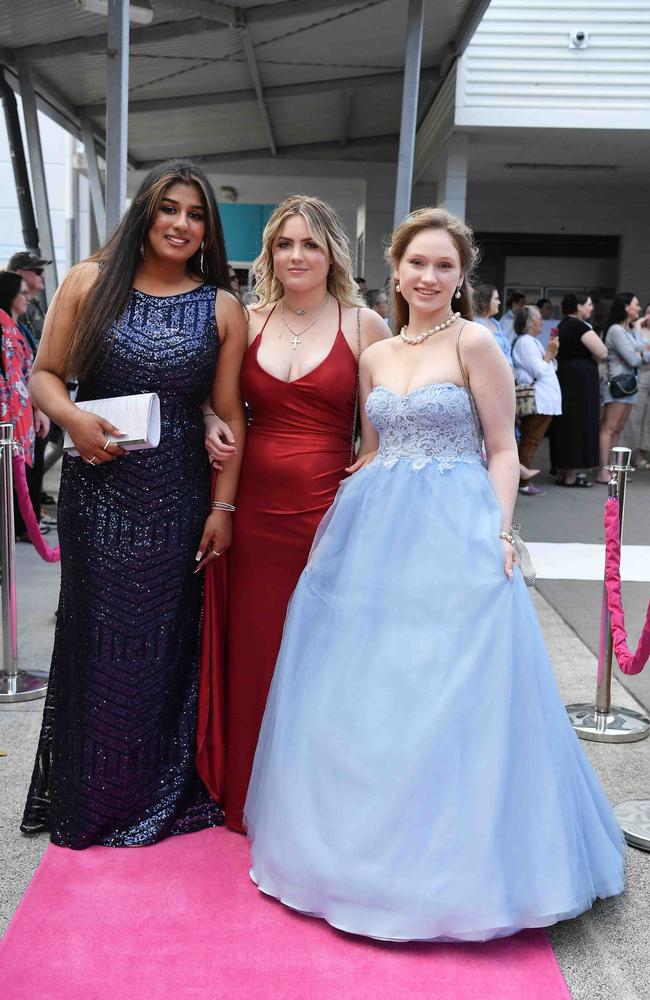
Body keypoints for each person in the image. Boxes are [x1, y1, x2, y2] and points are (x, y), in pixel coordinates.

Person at [244, 207, 624, 943]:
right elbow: (370, 444)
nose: (429, 276)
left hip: (455, 521)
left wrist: (500, 529)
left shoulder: (475, 341)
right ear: (396, 267)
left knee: (450, 684)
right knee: (374, 684)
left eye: (444, 266)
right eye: (418, 263)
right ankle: (356, 855)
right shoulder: (378, 354)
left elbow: (503, 449)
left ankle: (459, 864)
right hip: (377, 524)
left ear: (461, 275)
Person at [21, 159, 248, 849]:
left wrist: (223, 508)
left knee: (166, 645)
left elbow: (230, 414)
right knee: (96, 637)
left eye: (196, 214)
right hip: (101, 494)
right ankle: (89, 795)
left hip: (180, 495)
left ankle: (157, 790)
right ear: (145, 213)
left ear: (207, 228)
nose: (181, 224)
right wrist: (77, 422)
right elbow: (45, 375)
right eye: (169, 209)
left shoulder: (221, 307)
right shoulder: (91, 282)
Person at [200, 195, 389, 832]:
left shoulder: (365, 326)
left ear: (333, 251)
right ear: (270, 255)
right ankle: (251, 793)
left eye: (310, 244)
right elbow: (219, 405)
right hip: (253, 512)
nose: (297, 255)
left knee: (327, 656)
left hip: (332, 516)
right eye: (285, 244)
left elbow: (382, 432)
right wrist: (207, 427)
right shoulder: (247, 321)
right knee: (258, 649)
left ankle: (319, 800)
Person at [0, 271, 50, 537]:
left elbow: (29, 371)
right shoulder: (3, 326)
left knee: (25, 476)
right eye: (22, 293)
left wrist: (39, 409)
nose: (28, 298)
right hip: (10, 420)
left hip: (25, 415)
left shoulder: (19, 328)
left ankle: (21, 525)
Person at [549, 293, 607, 486]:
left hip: (566, 376)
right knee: (578, 424)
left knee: (566, 423)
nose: (591, 308)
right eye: (589, 304)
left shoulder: (564, 324)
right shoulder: (579, 326)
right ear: (579, 307)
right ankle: (572, 475)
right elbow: (602, 352)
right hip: (580, 381)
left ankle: (563, 472)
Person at [597, 292, 650, 483]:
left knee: (618, 428)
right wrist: (642, 353)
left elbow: (641, 345)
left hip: (628, 384)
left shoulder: (627, 329)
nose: (639, 308)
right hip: (618, 383)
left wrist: (637, 329)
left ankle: (613, 469)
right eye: (636, 304)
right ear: (626, 307)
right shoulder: (616, 331)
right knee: (609, 427)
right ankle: (603, 471)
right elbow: (634, 358)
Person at [512, 304, 561, 495]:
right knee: (530, 440)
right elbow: (540, 370)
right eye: (539, 317)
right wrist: (548, 355)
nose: (542, 321)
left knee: (530, 440)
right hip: (538, 400)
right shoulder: (525, 342)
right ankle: (522, 481)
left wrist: (550, 355)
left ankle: (522, 479)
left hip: (544, 400)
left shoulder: (532, 341)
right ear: (531, 322)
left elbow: (550, 367)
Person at [621, 302, 650, 468]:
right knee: (634, 417)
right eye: (647, 312)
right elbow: (638, 354)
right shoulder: (638, 331)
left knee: (649, 420)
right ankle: (625, 455)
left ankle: (642, 455)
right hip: (642, 375)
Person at [6, 250, 51, 345]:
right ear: (19, 274)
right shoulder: (14, 307)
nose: (43, 276)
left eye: (42, 271)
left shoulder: (33, 304)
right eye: (38, 271)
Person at [473, 284, 511, 362]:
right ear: (485, 301)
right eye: (496, 299)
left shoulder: (496, 323)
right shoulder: (475, 325)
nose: (499, 302)